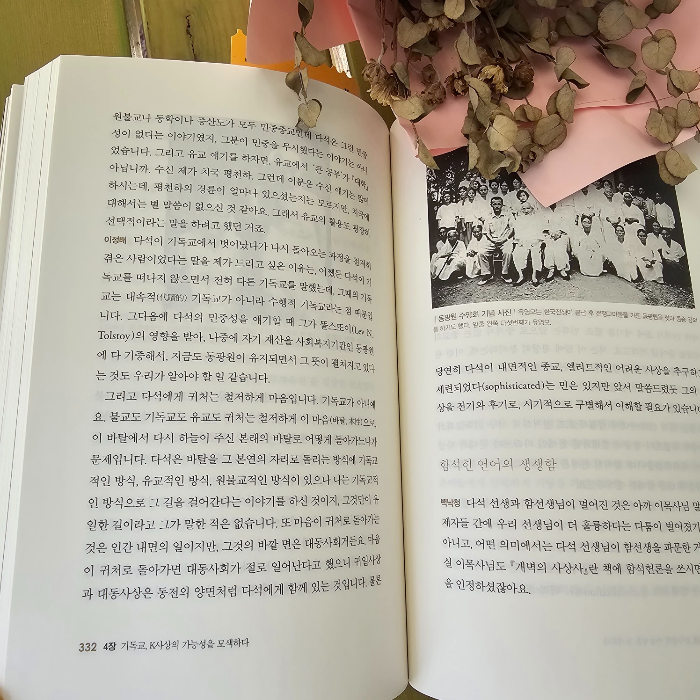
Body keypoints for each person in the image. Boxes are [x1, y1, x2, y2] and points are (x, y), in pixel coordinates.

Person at [478, 196, 515, 285]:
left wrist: (504, 239)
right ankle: (487, 274)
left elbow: (512, 229)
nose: (497, 206)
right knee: (481, 253)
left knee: (507, 252)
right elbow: (486, 232)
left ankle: (505, 273)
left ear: (502, 205)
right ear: (491, 205)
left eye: (499, 204)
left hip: (505, 240)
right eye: (494, 204)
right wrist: (493, 240)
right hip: (492, 240)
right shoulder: (488, 217)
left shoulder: (508, 215)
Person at [512, 190, 544, 285]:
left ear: (531, 209)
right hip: (523, 240)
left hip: (535, 240)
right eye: (524, 209)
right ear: (521, 210)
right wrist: (520, 241)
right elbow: (517, 232)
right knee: (517, 253)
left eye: (528, 208)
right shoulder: (519, 219)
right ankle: (521, 275)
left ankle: (534, 276)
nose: (526, 211)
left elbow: (540, 232)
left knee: (535, 253)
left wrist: (537, 241)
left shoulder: (536, 219)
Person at [542, 203, 571, 280]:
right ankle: (551, 269)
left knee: (560, 248)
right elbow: (542, 226)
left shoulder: (563, 209)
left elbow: (567, 224)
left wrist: (559, 233)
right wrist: (550, 233)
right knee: (549, 249)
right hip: (549, 235)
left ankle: (562, 269)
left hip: (561, 235)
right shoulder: (544, 211)